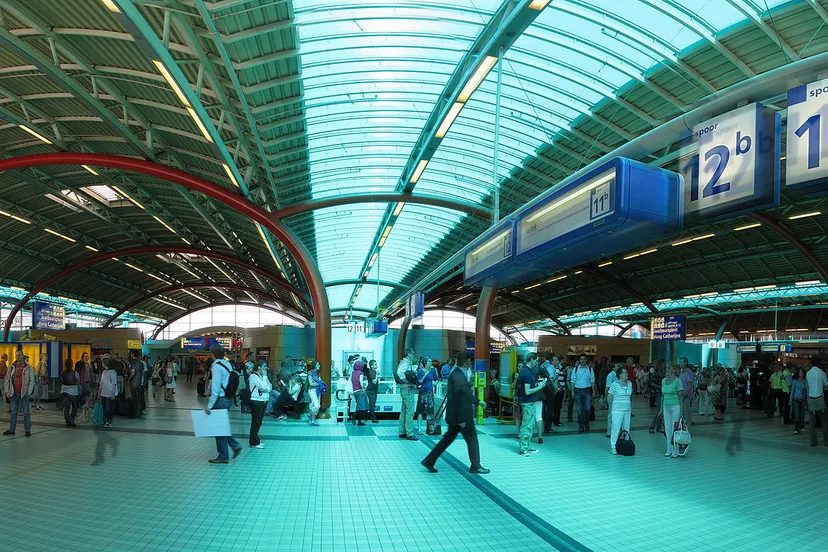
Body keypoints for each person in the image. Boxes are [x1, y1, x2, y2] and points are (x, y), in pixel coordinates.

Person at [420, 354, 490, 474]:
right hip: (462, 417)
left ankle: (429, 461)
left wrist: (478, 402)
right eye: (470, 362)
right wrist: (462, 419)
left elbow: (465, 394)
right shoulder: (458, 376)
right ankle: (476, 465)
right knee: (472, 439)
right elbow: (460, 398)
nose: (471, 364)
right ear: (466, 362)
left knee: (446, 440)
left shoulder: (457, 373)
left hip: (455, 416)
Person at [203, 344, 242, 464]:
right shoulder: (227, 364)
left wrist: (209, 405)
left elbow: (215, 387)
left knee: (218, 428)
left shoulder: (216, 367)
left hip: (220, 400)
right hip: (228, 399)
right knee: (221, 425)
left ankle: (223, 456)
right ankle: (234, 445)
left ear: (212, 353)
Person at [518, 353, 547, 456]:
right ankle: (523, 448)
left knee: (530, 425)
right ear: (531, 360)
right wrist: (540, 387)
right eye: (536, 360)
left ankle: (527, 446)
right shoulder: (526, 373)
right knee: (526, 425)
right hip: (528, 402)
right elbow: (527, 391)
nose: (537, 362)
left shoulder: (527, 371)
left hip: (530, 402)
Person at [3, 352, 35, 437]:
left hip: (24, 393)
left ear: (23, 356)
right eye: (16, 355)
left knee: (26, 412)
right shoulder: (12, 367)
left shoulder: (28, 368)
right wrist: (6, 391)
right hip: (14, 393)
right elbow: (7, 379)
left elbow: (32, 380)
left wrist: (29, 392)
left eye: (19, 355)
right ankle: (11, 429)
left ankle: (27, 430)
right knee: (13, 412)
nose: (18, 357)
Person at [607, 366, 632, 455]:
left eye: (627, 373)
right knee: (616, 427)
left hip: (627, 409)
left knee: (626, 427)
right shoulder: (615, 384)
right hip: (617, 409)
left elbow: (630, 396)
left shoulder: (630, 383)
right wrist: (611, 408)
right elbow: (609, 397)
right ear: (620, 375)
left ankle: (625, 444)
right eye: (625, 373)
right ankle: (613, 446)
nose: (627, 374)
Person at [662, 364, 684, 458]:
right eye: (666, 369)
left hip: (675, 406)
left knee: (674, 428)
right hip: (666, 406)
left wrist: (682, 409)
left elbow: (680, 396)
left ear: (673, 370)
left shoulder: (678, 381)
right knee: (667, 428)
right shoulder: (663, 381)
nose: (667, 371)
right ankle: (668, 449)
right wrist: (660, 409)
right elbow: (663, 395)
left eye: (669, 369)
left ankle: (675, 450)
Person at [569, 354, 595, 433]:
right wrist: (572, 391)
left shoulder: (590, 369)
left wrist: (593, 392)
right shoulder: (575, 369)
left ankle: (586, 424)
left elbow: (592, 381)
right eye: (581, 359)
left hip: (587, 390)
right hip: (578, 391)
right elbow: (572, 381)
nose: (582, 361)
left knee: (587, 409)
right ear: (579, 360)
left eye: (584, 359)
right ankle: (581, 426)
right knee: (579, 410)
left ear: (586, 360)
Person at [396, 348, 419, 441]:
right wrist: (407, 381)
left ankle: (402, 431)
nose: (413, 355)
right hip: (408, 389)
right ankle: (410, 433)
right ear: (409, 354)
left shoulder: (406, 363)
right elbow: (399, 373)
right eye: (413, 354)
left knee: (404, 411)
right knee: (410, 412)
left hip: (405, 390)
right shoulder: (405, 363)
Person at [805, 356, 828, 447]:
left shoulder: (808, 373)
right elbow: (826, 384)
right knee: (824, 421)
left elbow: (808, 386)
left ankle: (813, 442)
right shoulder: (821, 373)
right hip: (819, 399)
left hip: (811, 399)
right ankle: (826, 441)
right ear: (819, 363)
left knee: (811, 422)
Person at [248, 361, 271, 448]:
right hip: (256, 401)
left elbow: (269, 387)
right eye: (264, 366)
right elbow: (264, 387)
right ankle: (253, 442)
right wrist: (265, 377)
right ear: (259, 367)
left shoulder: (261, 377)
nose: (266, 368)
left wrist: (265, 383)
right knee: (256, 422)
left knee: (259, 422)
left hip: (263, 401)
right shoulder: (254, 376)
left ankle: (255, 440)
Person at [415, 358, 437, 435]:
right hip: (423, 392)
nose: (431, 362)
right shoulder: (420, 372)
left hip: (430, 392)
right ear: (425, 363)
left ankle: (428, 428)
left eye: (431, 361)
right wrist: (424, 375)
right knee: (420, 411)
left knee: (429, 411)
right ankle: (419, 428)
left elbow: (436, 379)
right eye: (429, 361)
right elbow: (418, 382)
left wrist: (435, 383)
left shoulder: (433, 371)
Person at [60, 358, 80, 427]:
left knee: (67, 407)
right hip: (73, 392)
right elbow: (78, 381)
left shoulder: (62, 372)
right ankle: (72, 418)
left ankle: (67, 420)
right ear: (72, 365)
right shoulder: (75, 373)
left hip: (65, 391)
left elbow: (62, 381)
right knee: (75, 406)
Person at [99, 358, 118, 428]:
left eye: (103, 362)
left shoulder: (112, 372)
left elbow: (114, 384)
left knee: (108, 408)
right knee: (104, 408)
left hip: (109, 394)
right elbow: (101, 382)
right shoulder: (104, 372)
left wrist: (112, 394)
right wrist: (99, 392)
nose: (102, 364)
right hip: (103, 393)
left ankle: (109, 421)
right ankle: (104, 420)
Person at [789, 368, 807, 435]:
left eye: (802, 372)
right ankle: (796, 429)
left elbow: (807, 391)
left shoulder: (805, 381)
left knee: (802, 414)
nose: (801, 374)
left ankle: (802, 426)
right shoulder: (795, 381)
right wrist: (790, 400)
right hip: (796, 399)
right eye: (800, 372)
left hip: (803, 399)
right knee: (797, 414)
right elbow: (792, 391)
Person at [351, 360, 368, 426]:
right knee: (360, 407)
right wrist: (363, 388)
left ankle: (358, 420)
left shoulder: (353, 372)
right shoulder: (361, 373)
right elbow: (360, 381)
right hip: (360, 391)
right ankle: (356, 419)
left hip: (355, 392)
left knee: (359, 407)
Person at [678, 359, 695, 426]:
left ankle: (687, 429)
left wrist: (684, 395)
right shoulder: (682, 372)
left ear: (685, 363)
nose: (680, 364)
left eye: (681, 362)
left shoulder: (689, 373)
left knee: (687, 413)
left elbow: (689, 386)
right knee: (683, 413)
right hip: (681, 396)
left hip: (686, 397)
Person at [307, 361, 323, 426]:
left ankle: (312, 421)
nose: (319, 365)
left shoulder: (318, 373)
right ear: (314, 365)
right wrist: (318, 383)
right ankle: (309, 414)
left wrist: (317, 383)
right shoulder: (310, 373)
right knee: (317, 405)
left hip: (318, 390)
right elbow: (311, 383)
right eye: (318, 364)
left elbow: (320, 382)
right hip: (312, 390)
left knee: (315, 405)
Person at [605, 363, 619, 438]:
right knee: (611, 414)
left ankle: (616, 430)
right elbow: (607, 387)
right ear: (613, 368)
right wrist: (606, 396)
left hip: (618, 396)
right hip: (612, 395)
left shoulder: (618, 375)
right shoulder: (611, 375)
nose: (619, 367)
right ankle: (609, 432)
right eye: (617, 366)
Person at [551, 355, 566, 428]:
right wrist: (560, 387)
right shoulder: (556, 369)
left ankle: (557, 420)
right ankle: (556, 421)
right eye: (556, 360)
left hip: (560, 389)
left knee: (558, 406)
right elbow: (555, 379)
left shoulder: (558, 368)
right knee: (557, 407)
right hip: (558, 390)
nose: (558, 361)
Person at [128, 352, 144, 418]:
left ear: (132, 354)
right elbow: (142, 372)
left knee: (134, 398)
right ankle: (139, 412)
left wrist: (129, 379)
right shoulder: (141, 362)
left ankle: (136, 413)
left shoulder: (133, 362)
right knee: (139, 398)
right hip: (139, 382)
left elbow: (133, 372)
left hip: (134, 382)